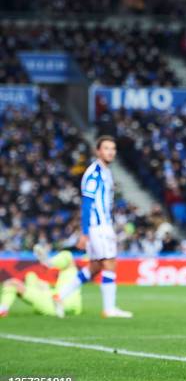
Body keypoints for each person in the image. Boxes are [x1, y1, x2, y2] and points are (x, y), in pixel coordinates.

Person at [53, 136, 132, 319]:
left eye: (113, 148)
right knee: (110, 262)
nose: (110, 152)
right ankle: (109, 308)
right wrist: (85, 232)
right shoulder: (94, 172)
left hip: (103, 225)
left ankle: (59, 296)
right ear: (98, 151)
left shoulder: (106, 172)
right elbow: (87, 204)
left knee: (95, 267)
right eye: (106, 148)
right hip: (98, 226)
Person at [0, 246, 81, 318]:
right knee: (31, 276)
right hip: (67, 304)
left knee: (11, 283)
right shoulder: (71, 273)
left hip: (53, 304)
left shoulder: (67, 260)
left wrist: (45, 259)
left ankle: (3, 309)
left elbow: (52, 263)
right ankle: (3, 309)